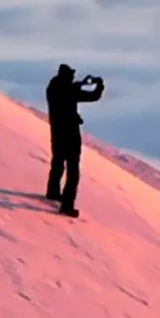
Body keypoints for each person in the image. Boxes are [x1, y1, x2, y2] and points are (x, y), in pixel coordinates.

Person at [44, 63, 104, 217]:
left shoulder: (52, 88)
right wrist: (99, 86)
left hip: (57, 133)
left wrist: (80, 84)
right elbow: (93, 96)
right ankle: (67, 205)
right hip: (70, 135)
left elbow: (66, 90)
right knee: (73, 171)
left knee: (57, 163)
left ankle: (52, 192)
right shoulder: (69, 91)